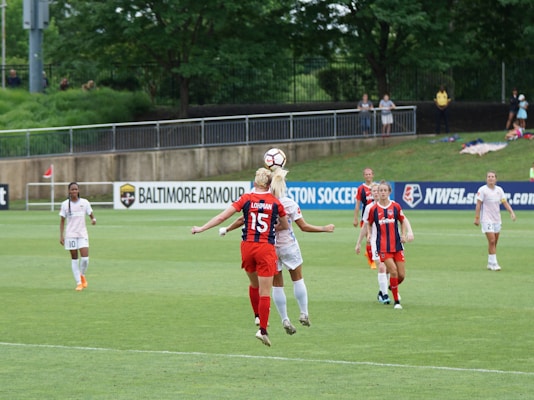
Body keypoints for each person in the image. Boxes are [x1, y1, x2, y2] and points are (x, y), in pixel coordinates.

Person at [221, 168, 335, 335]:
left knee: (277, 284)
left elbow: (242, 219)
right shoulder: (288, 203)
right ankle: (304, 313)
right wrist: (324, 228)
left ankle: (285, 319)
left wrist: (227, 229)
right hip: (288, 245)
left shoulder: (262, 200)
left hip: (269, 246)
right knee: (297, 279)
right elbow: (303, 227)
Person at [192, 168, 289, 347]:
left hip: (247, 247)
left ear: (255, 183)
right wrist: (270, 225)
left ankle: (258, 317)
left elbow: (222, 217)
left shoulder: (246, 199)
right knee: (265, 291)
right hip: (265, 248)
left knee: (254, 284)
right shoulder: (276, 203)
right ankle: (263, 330)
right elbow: (284, 225)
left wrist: (201, 228)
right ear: (269, 184)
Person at [364, 181, 414, 309]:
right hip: (383, 246)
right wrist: (369, 234)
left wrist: (404, 234)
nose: (382, 193)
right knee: (393, 271)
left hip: (397, 245)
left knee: (401, 275)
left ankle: (392, 287)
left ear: (389, 192)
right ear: (378, 193)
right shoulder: (374, 209)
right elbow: (369, 223)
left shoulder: (396, 206)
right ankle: (397, 302)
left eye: (385, 190)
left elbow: (402, 220)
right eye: (380, 190)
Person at [474, 171, 516, 271]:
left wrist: (511, 212)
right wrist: (477, 218)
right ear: (486, 179)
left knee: (494, 242)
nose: (491, 178)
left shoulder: (499, 190)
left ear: (496, 179)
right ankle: (495, 264)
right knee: (492, 240)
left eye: (492, 176)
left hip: (497, 219)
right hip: (486, 218)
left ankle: (490, 262)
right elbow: (478, 204)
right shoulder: (482, 190)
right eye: (489, 177)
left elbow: (504, 202)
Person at [355, 183, 390, 304]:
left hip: (389, 241)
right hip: (376, 241)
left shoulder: (391, 205)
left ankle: (382, 290)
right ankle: (385, 295)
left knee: (388, 268)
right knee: (381, 266)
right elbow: (365, 226)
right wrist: (359, 243)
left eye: (378, 190)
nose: (376, 193)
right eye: (374, 191)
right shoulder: (369, 208)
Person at [59, 182, 96, 291]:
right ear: (69, 191)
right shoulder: (65, 204)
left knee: (85, 259)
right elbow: (62, 221)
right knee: (74, 258)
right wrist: (61, 236)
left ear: (78, 191)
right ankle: (79, 283)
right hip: (70, 235)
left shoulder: (84, 203)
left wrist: (93, 219)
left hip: (82, 234)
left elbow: (90, 213)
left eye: (76, 189)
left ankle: (82, 275)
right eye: (72, 189)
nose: (74, 191)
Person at [353, 167, 376, 269]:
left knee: (375, 238)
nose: (368, 176)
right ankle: (372, 262)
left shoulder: (377, 187)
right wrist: (355, 218)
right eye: (366, 174)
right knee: (368, 238)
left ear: (373, 175)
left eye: (369, 174)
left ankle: (373, 255)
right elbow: (358, 204)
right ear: (364, 176)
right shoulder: (361, 189)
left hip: (377, 217)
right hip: (366, 218)